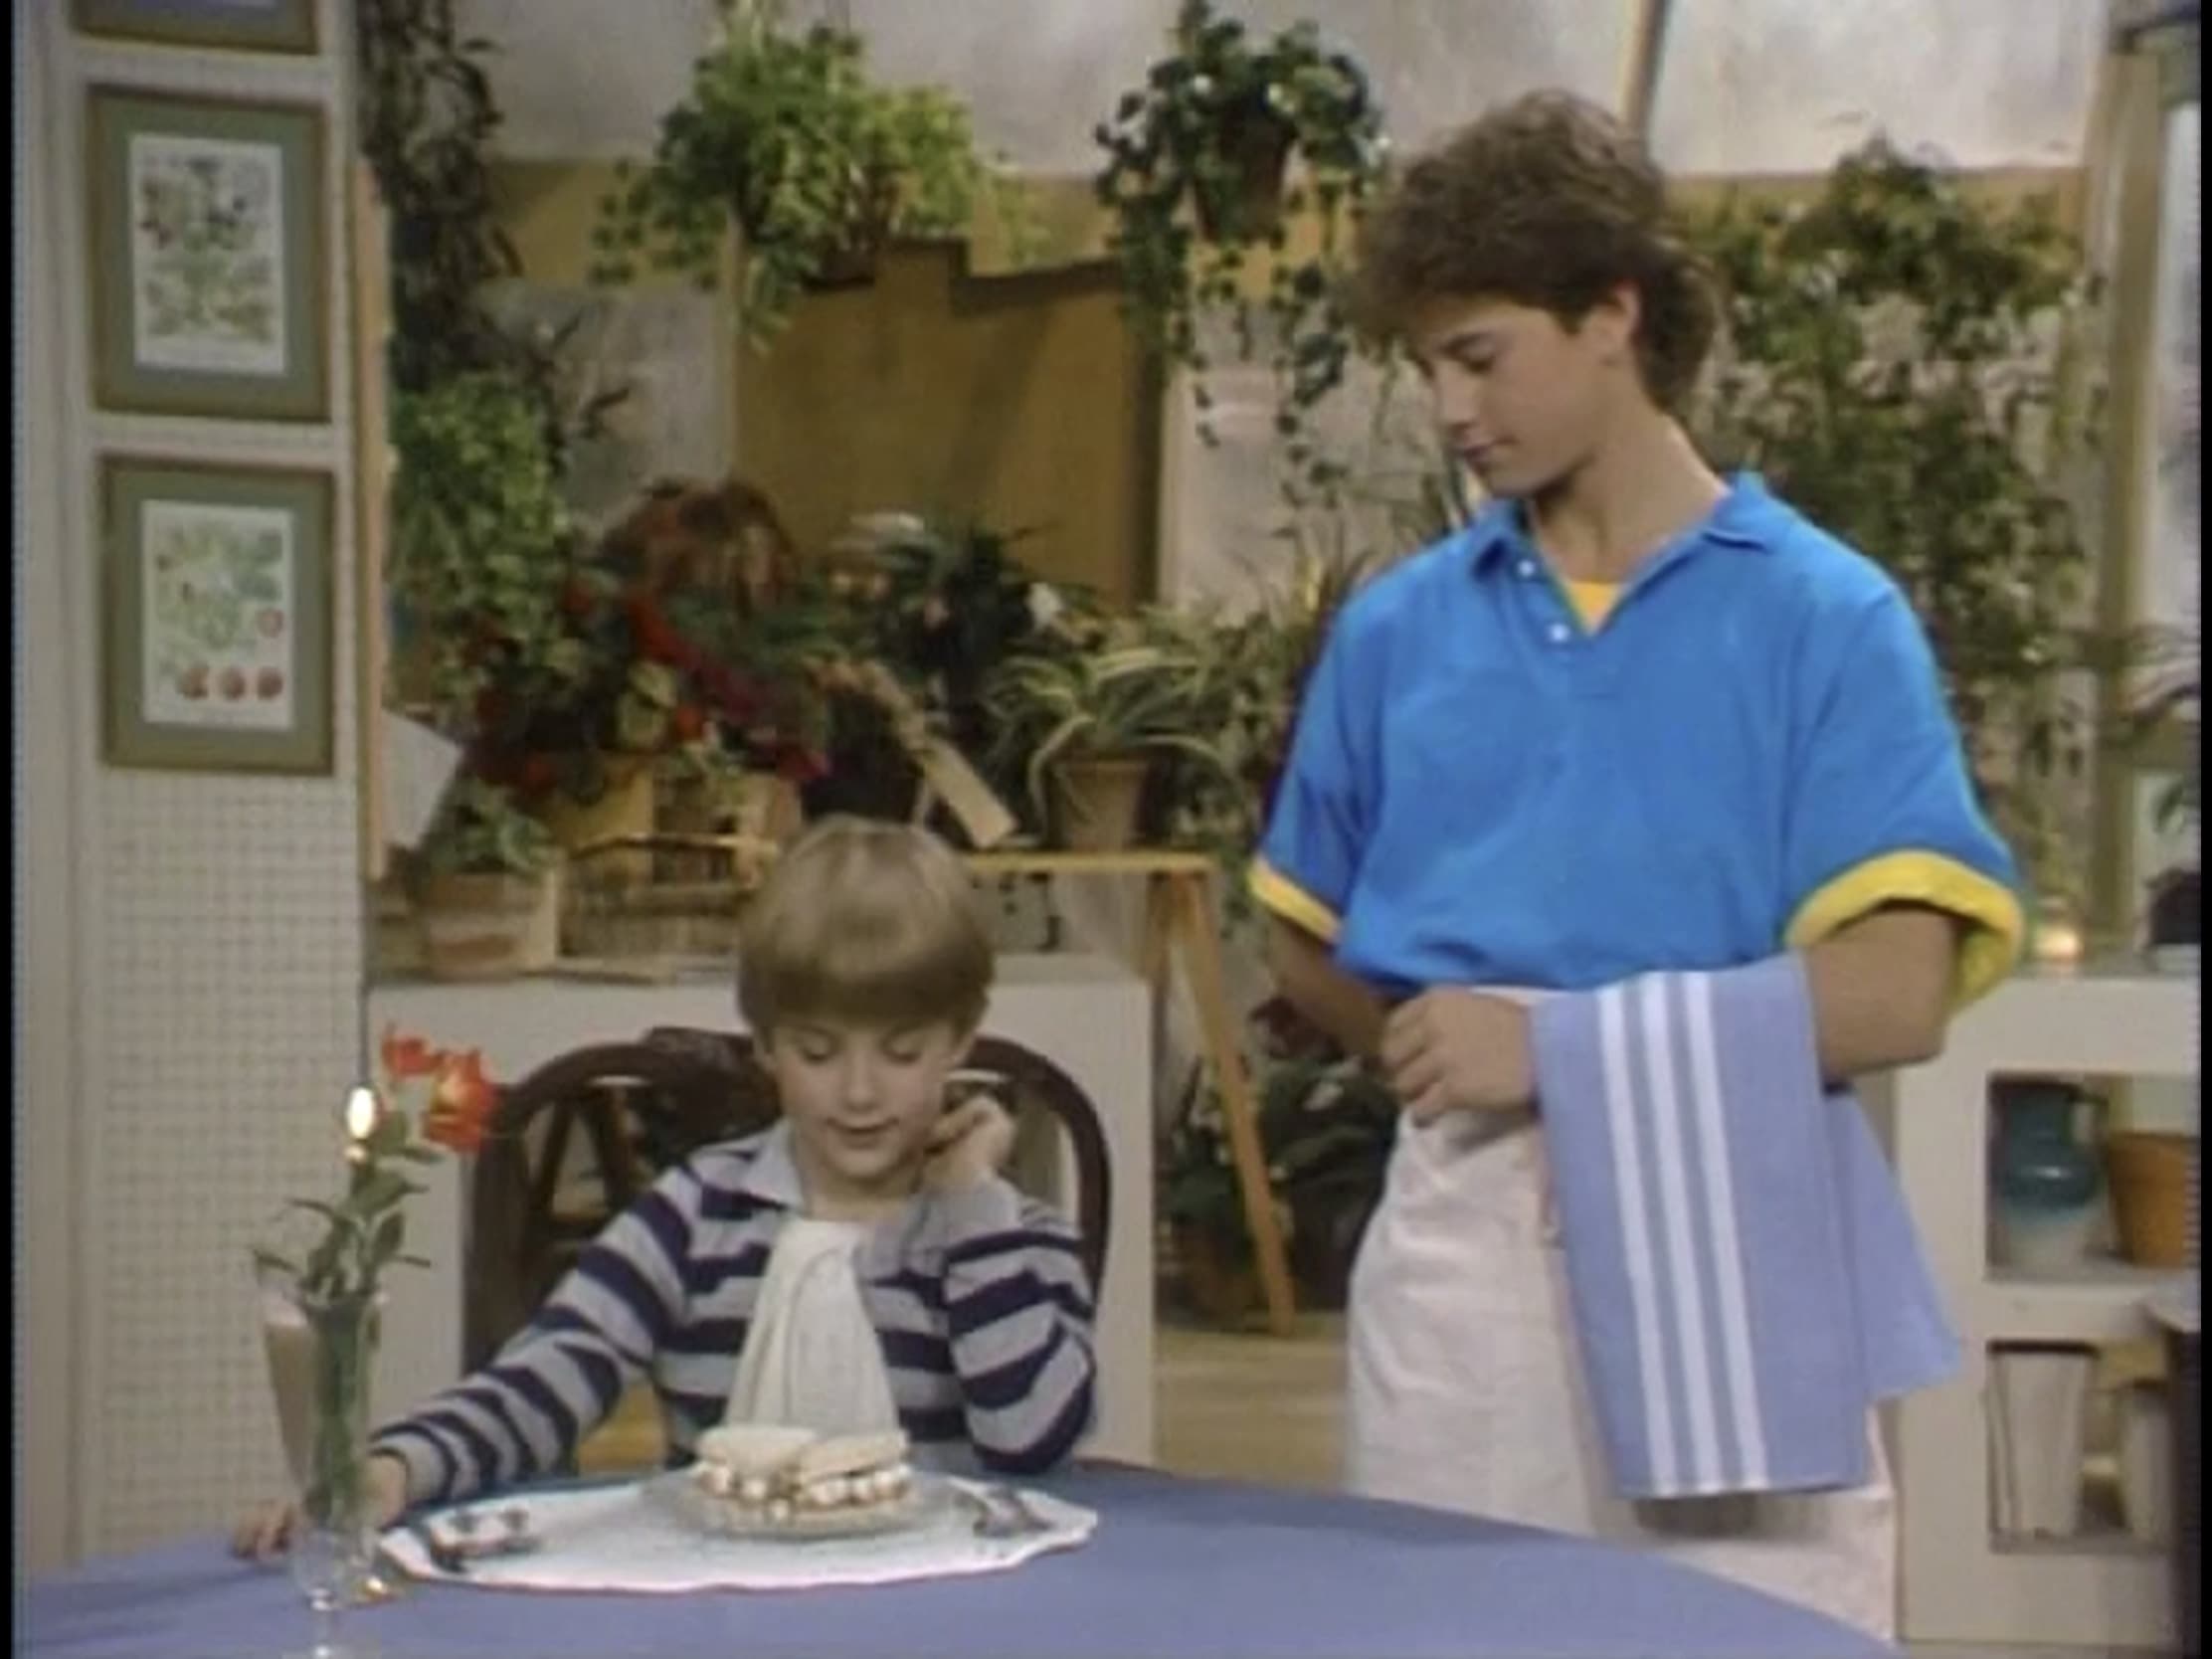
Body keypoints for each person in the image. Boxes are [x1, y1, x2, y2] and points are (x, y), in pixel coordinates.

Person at [1249, 91, 2023, 1639]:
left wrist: (1553, 1051)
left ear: (1614, 314)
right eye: (1428, 368)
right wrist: (1438, 1059)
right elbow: (1300, 936)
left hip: (1737, 1218)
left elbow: (1896, 991)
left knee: (1750, 1631)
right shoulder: (1401, 631)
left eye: (1482, 357)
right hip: (1469, 1253)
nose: (1452, 409)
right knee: (1452, 1632)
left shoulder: (1824, 620)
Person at [235, 817, 1097, 1558]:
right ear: (766, 1046)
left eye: (902, 1053)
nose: (861, 1091)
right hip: (725, 1610)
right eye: (818, 1052)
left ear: (959, 1041)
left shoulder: (1011, 1238)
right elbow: (547, 1378)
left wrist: (973, 1207)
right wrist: (393, 1468)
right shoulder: (696, 1216)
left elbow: (1031, 1447)